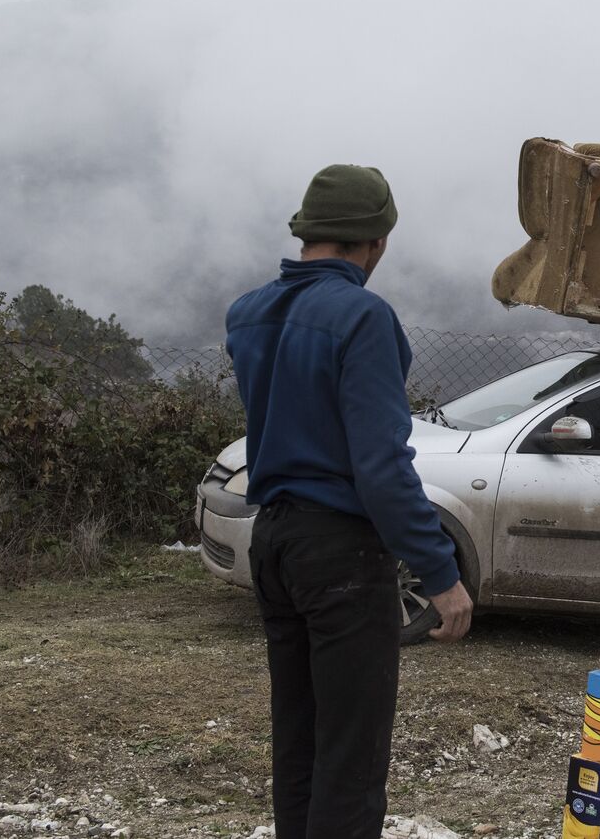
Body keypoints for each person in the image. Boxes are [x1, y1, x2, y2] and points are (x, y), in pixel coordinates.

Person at [225, 164, 474, 839]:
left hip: (272, 539)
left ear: (306, 232)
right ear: (377, 243)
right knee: (352, 758)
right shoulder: (363, 316)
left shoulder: (246, 314)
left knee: (300, 739)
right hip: (339, 549)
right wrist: (442, 575)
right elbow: (380, 464)